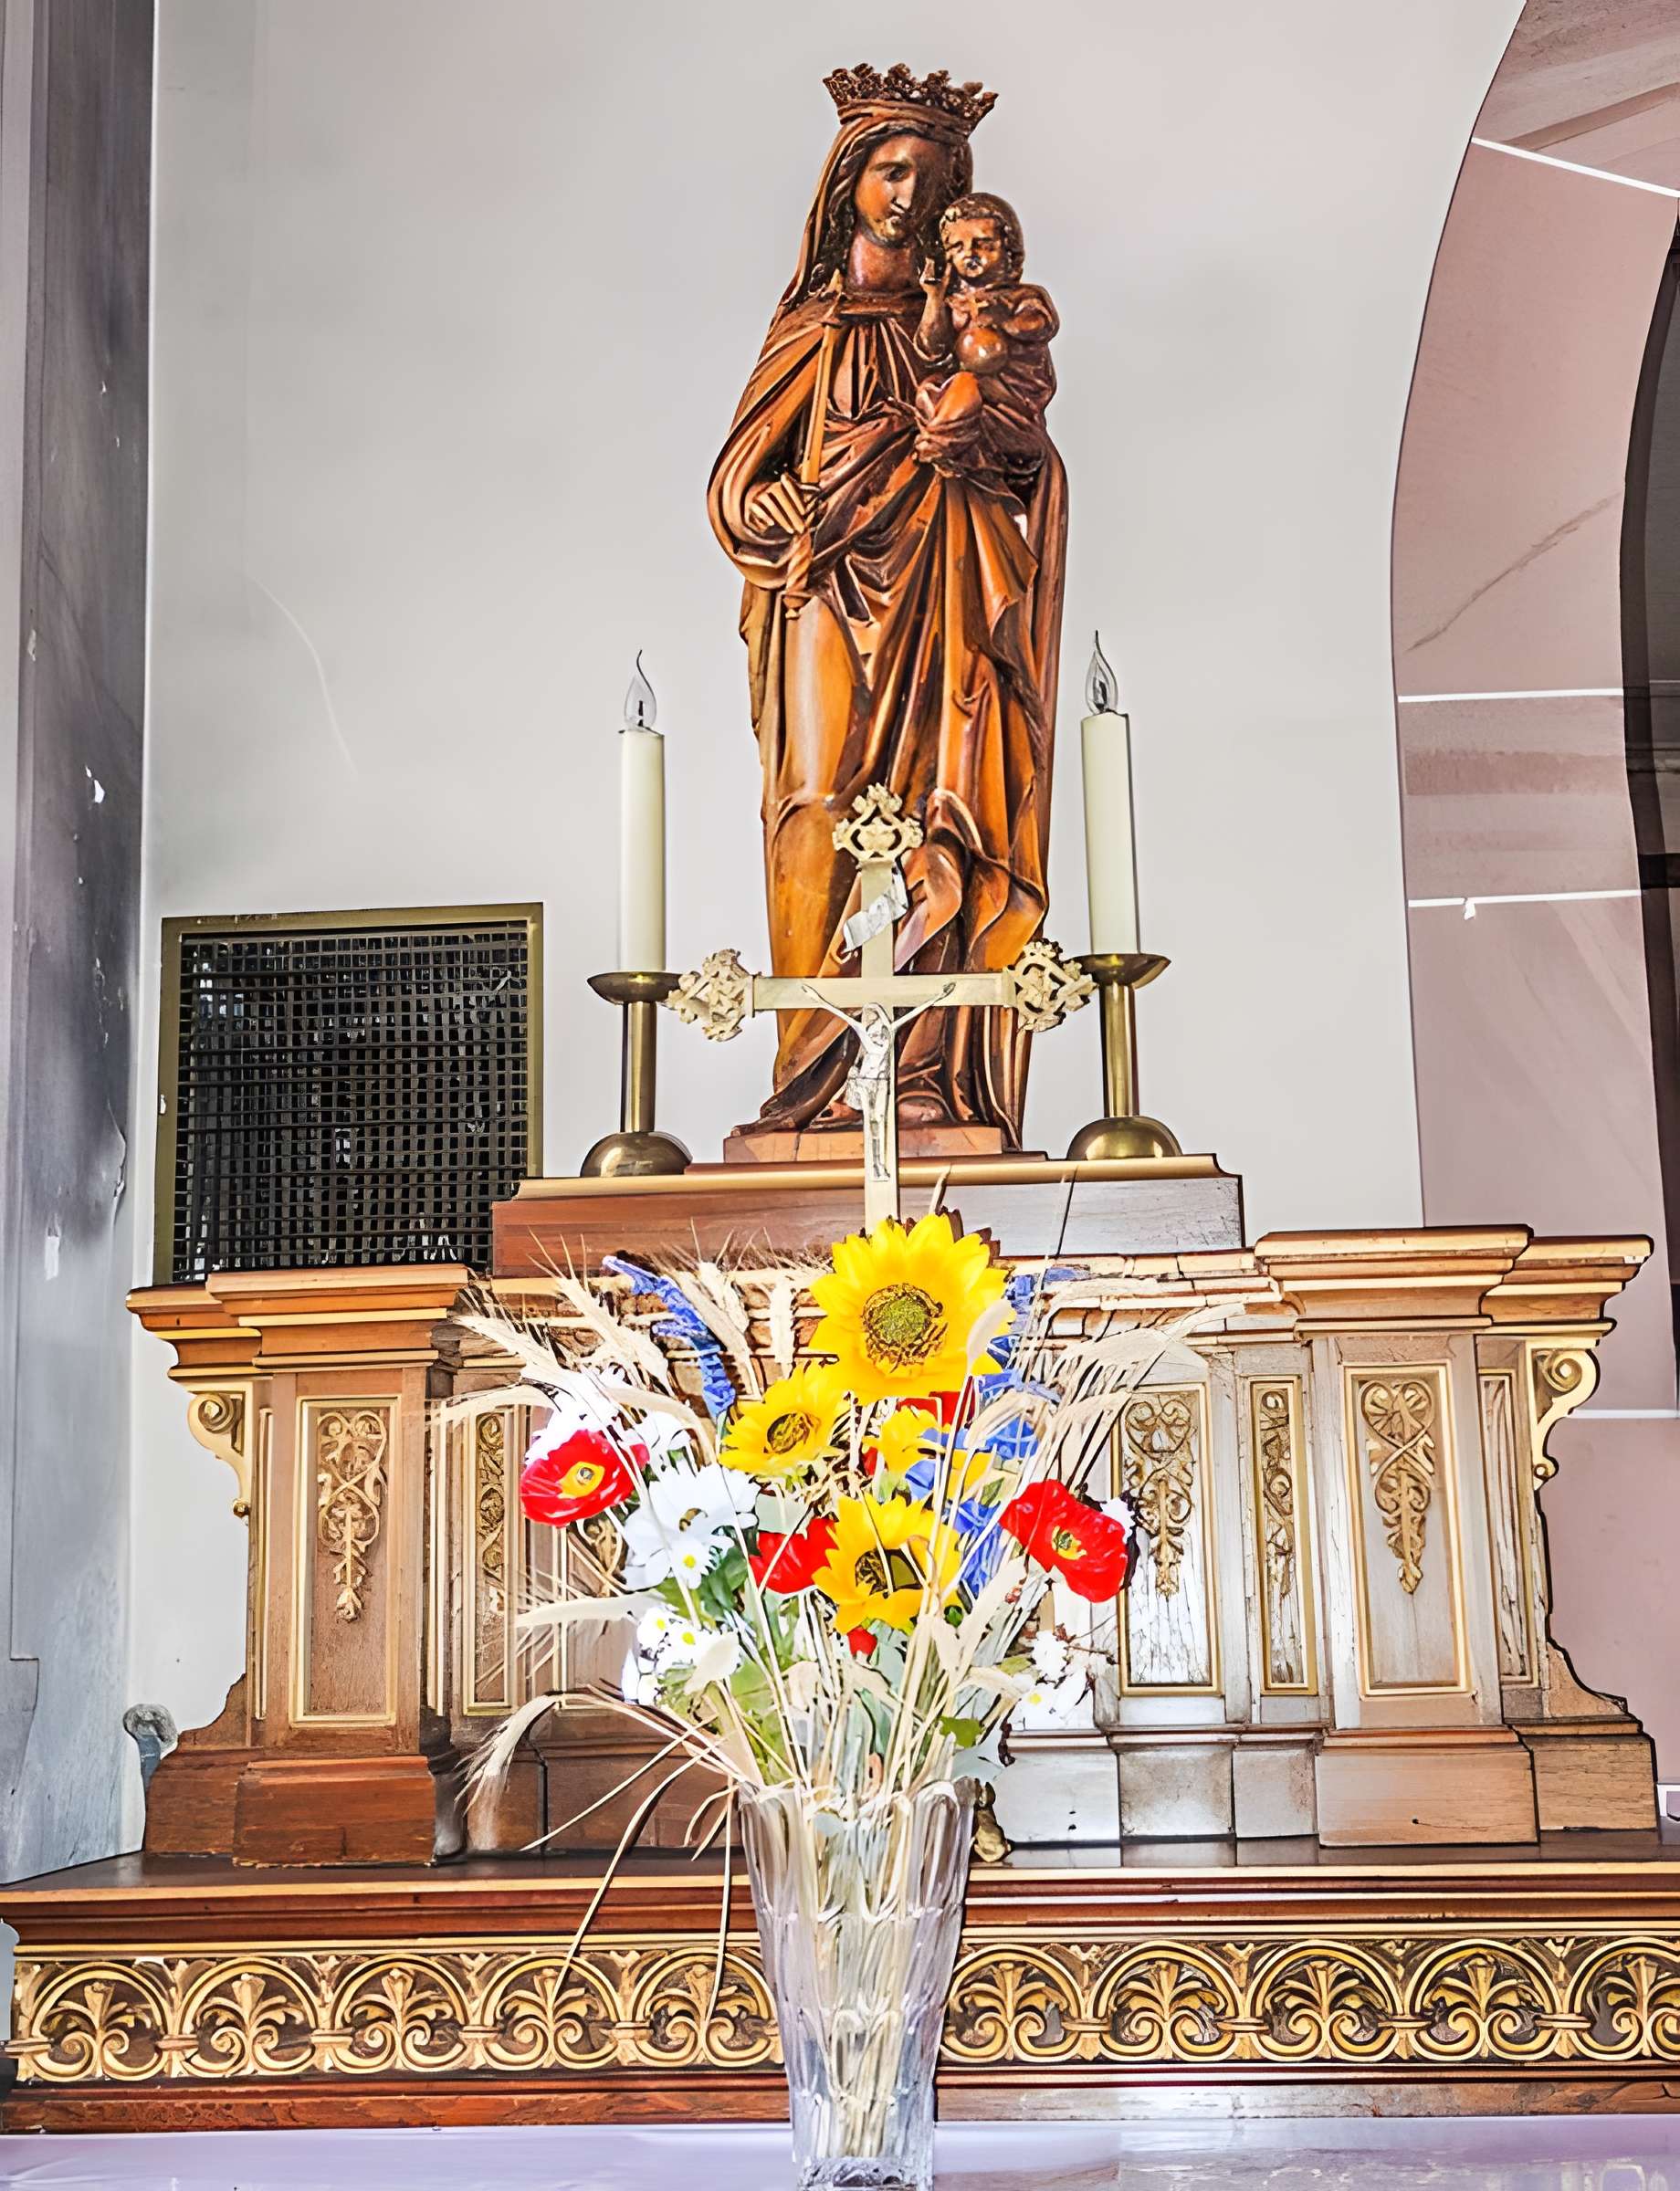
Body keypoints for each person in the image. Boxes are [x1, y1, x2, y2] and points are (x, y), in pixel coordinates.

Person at [708, 68, 1067, 1144]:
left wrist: (984, 433)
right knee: (815, 803)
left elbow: (1022, 458)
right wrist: (768, 503)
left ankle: (923, 1075)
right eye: (889, 169)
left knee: (940, 811)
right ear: (848, 183)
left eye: (933, 176)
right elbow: (738, 478)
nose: (908, 194)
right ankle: (807, 1073)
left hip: (944, 584)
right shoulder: (814, 324)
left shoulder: (968, 320)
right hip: (823, 583)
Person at [913, 193, 1059, 494]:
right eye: (958, 247)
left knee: (968, 384)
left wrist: (1003, 320)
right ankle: (949, 443)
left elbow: (1042, 324)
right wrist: (933, 298)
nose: (971, 253)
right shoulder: (954, 304)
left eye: (984, 244)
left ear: (1010, 251)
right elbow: (931, 348)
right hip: (964, 403)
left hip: (1012, 407)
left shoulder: (1021, 298)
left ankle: (938, 442)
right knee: (930, 391)